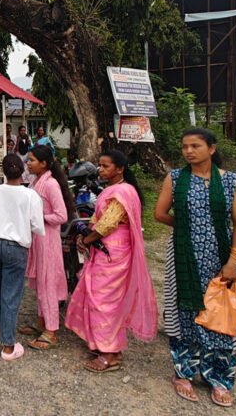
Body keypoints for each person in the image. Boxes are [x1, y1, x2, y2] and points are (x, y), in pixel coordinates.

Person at [154, 128, 236, 408]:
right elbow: (160, 213)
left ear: (211, 148)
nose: (188, 151)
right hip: (183, 256)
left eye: (195, 146)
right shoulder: (174, 178)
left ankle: (219, 377)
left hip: (221, 258)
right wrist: (187, 227)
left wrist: (233, 261)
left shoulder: (230, 181)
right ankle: (183, 372)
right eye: (184, 146)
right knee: (185, 311)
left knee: (221, 313)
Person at [65, 150, 158, 372]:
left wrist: (87, 239)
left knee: (104, 301)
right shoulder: (112, 190)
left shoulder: (123, 192)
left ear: (120, 169)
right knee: (99, 297)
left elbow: (108, 224)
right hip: (106, 251)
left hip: (113, 254)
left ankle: (111, 353)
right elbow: (98, 219)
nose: (100, 169)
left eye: (106, 166)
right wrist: (84, 235)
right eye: (100, 165)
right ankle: (103, 344)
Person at [0, 153, 45, 361]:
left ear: (3, 171)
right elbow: (37, 225)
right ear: (23, 171)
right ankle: (8, 345)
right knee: (11, 294)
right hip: (16, 246)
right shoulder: (31, 195)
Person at [22, 144, 74, 350]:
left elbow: (61, 215)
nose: (28, 163)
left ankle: (51, 331)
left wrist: (38, 218)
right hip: (37, 240)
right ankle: (42, 324)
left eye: (32, 160)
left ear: (44, 163)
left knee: (48, 284)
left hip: (47, 241)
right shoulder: (36, 181)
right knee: (40, 284)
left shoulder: (50, 184)